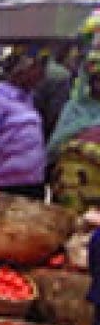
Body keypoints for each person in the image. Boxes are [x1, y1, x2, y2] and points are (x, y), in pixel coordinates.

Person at [0, 48, 49, 200]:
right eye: (37, 69)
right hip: (2, 184)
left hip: (31, 182)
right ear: (21, 70)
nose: (42, 75)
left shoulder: (28, 99)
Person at [48, 51, 100, 212]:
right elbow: (55, 145)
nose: (98, 84)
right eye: (96, 79)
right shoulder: (73, 108)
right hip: (66, 182)